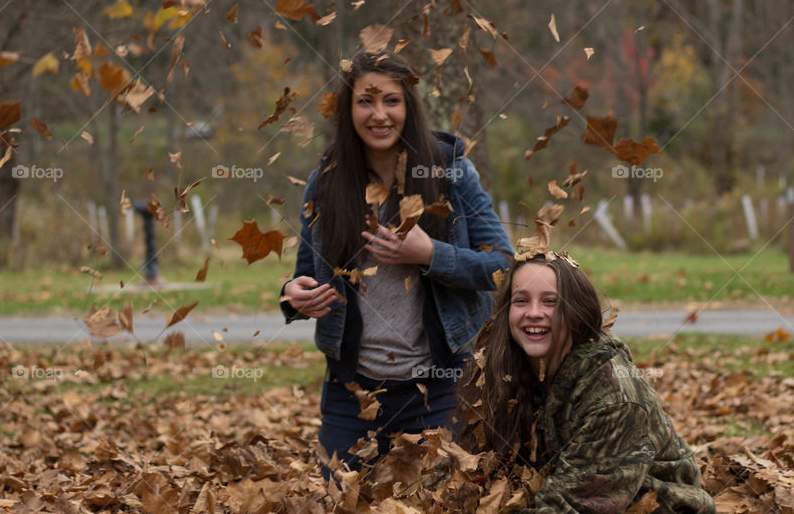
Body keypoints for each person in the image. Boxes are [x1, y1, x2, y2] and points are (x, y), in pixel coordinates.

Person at [279, 49, 513, 475]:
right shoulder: (325, 183)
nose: (379, 114)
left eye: (391, 100)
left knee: (437, 498)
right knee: (337, 498)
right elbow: (304, 276)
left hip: (440, 386)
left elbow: (502, 265)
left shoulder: (451, 173)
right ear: (348, 110)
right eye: (365, 101)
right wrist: (292, 296)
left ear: (408, 106)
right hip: (352, 392)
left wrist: (430, 255)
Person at [457, 252, 715, 514]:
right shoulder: (505, 371)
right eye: (521, 301)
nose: (534, 313)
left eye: (550, 302)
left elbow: (571, 508)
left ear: (576, 314)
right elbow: (469, 467)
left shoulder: (614, 397)